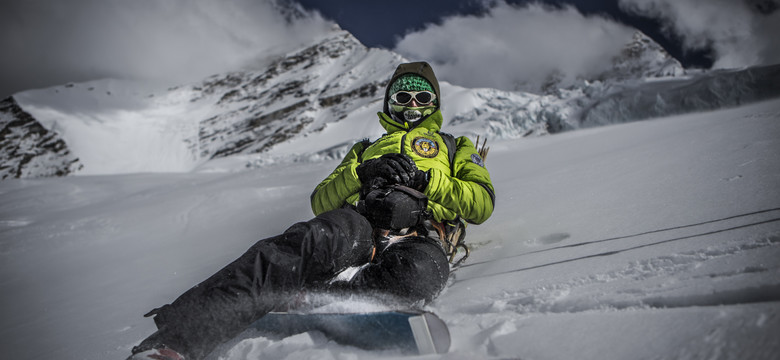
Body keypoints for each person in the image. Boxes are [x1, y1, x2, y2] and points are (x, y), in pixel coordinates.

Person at [129, 61, 495, 360]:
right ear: (390, 103)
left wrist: (429, 181)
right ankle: (175, 341)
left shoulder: (455, 146)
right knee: (309, 240)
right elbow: (321, 199)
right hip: (363, 222)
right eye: (403, 96)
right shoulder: (365, 148)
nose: (412, 105)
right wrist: (360, 173)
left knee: (416, 273)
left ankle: (334, 299)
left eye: (421, 97)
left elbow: (481, 203)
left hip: (422, 229)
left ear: (434, 103)